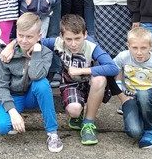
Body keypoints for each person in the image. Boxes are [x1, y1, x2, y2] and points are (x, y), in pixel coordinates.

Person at [36, 14, 119, 145]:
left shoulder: (92, 46)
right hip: (71, 83)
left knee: (100, 79)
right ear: (61, 36)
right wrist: (11, 45)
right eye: (68, 39)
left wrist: (82, 70)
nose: (73, 44)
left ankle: (88, 123)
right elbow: (32, 40)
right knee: (74, 110)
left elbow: (113, 68)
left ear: (85, 34)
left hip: (91, 84)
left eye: (77, 38)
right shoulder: (57, 42)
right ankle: (78, 112)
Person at [0, 13, 64, 153]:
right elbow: (1, 86)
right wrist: (13, 112)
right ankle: (16, 117)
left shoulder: (45, 53)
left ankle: (52, 133)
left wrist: (36, 52)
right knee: (0, 127)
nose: (24, 41)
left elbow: (35, 75)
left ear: (39, 36)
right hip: (15, 96)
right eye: (21, 35)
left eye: (29, 37)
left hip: (34, 96)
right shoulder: (7, 54)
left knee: (42, 84)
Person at [114, 27, 152, 148]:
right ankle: (139, 119)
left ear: (151, 46)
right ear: (128, 46)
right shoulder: (123, 57)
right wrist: (120, 93)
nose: (139, 52)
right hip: (130, 97)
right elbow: (110, 72)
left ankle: (150, 128)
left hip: (149, 97)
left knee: (143, 94)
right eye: (134, 48)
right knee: (134, 132)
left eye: (143, 48)